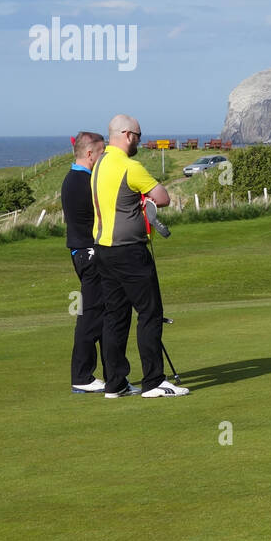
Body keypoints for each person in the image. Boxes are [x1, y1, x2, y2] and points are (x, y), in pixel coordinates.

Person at [91, 114, 190, 398]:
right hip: (129, 251)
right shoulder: (129, 166)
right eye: (137, 135)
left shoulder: (99, 165)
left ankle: (116, 383)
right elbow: (163, 197)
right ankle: (154, 382)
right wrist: (143, 198)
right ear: (126, 134)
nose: (139, 140)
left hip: (104, 250)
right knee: (150, 313)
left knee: (115, 316)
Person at [63, 131, 129, 394]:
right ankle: (82, 377)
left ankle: (110, 375)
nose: (104, 158)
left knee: (99, 314)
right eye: (102, 153)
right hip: (89, 255)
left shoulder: (77, 178)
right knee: (91, 316)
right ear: (90, 154)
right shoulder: (82, 181)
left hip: (84, 254)